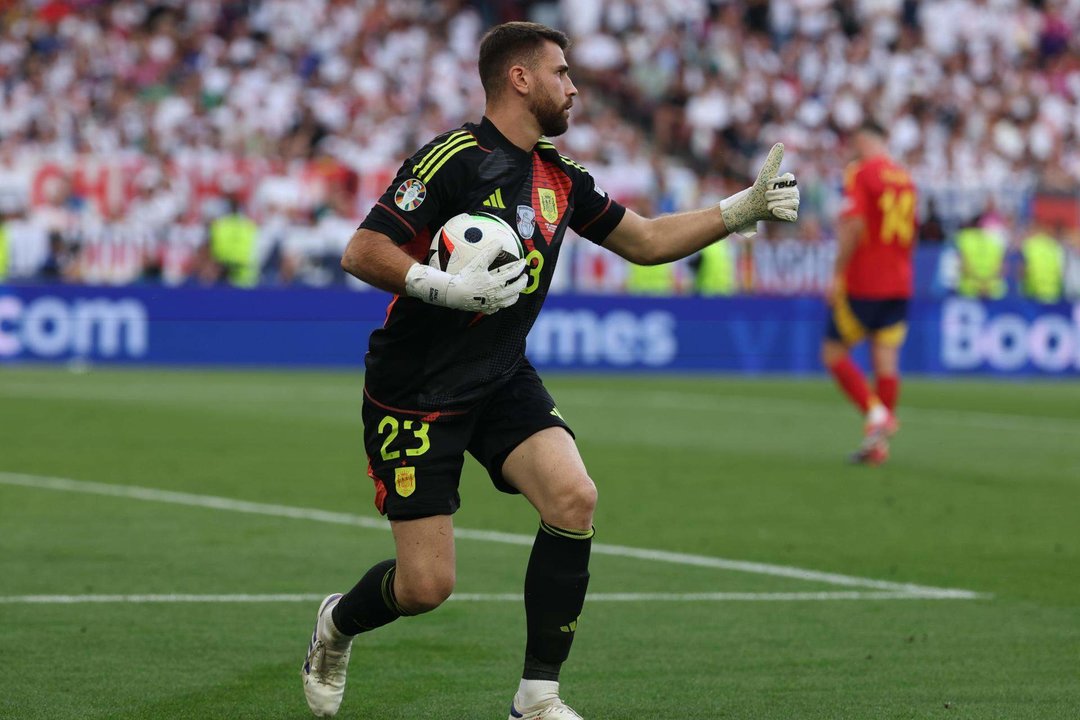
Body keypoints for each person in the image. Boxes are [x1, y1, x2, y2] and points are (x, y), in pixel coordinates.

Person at [301, 21, 800, 720]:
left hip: (501, 375)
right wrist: (440, 286)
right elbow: (362, 250)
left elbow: (648, 241)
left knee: (573, 497)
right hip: (414, 394)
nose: (573, 87)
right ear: (520, 78)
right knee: (425, 587)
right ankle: (336, 625)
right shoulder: (452, 159)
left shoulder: (559, 178)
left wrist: (740, 208)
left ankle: (537, 698)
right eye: (562, 73)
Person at [822, 119, 917, 466]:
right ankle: (877, 446)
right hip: (900, 281)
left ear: (864, 139)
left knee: (832, 352)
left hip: (866, 280)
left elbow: (855, 225)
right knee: (886, 360)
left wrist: (836, 274)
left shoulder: (861, 173)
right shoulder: (905, 178)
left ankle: (876, 414)